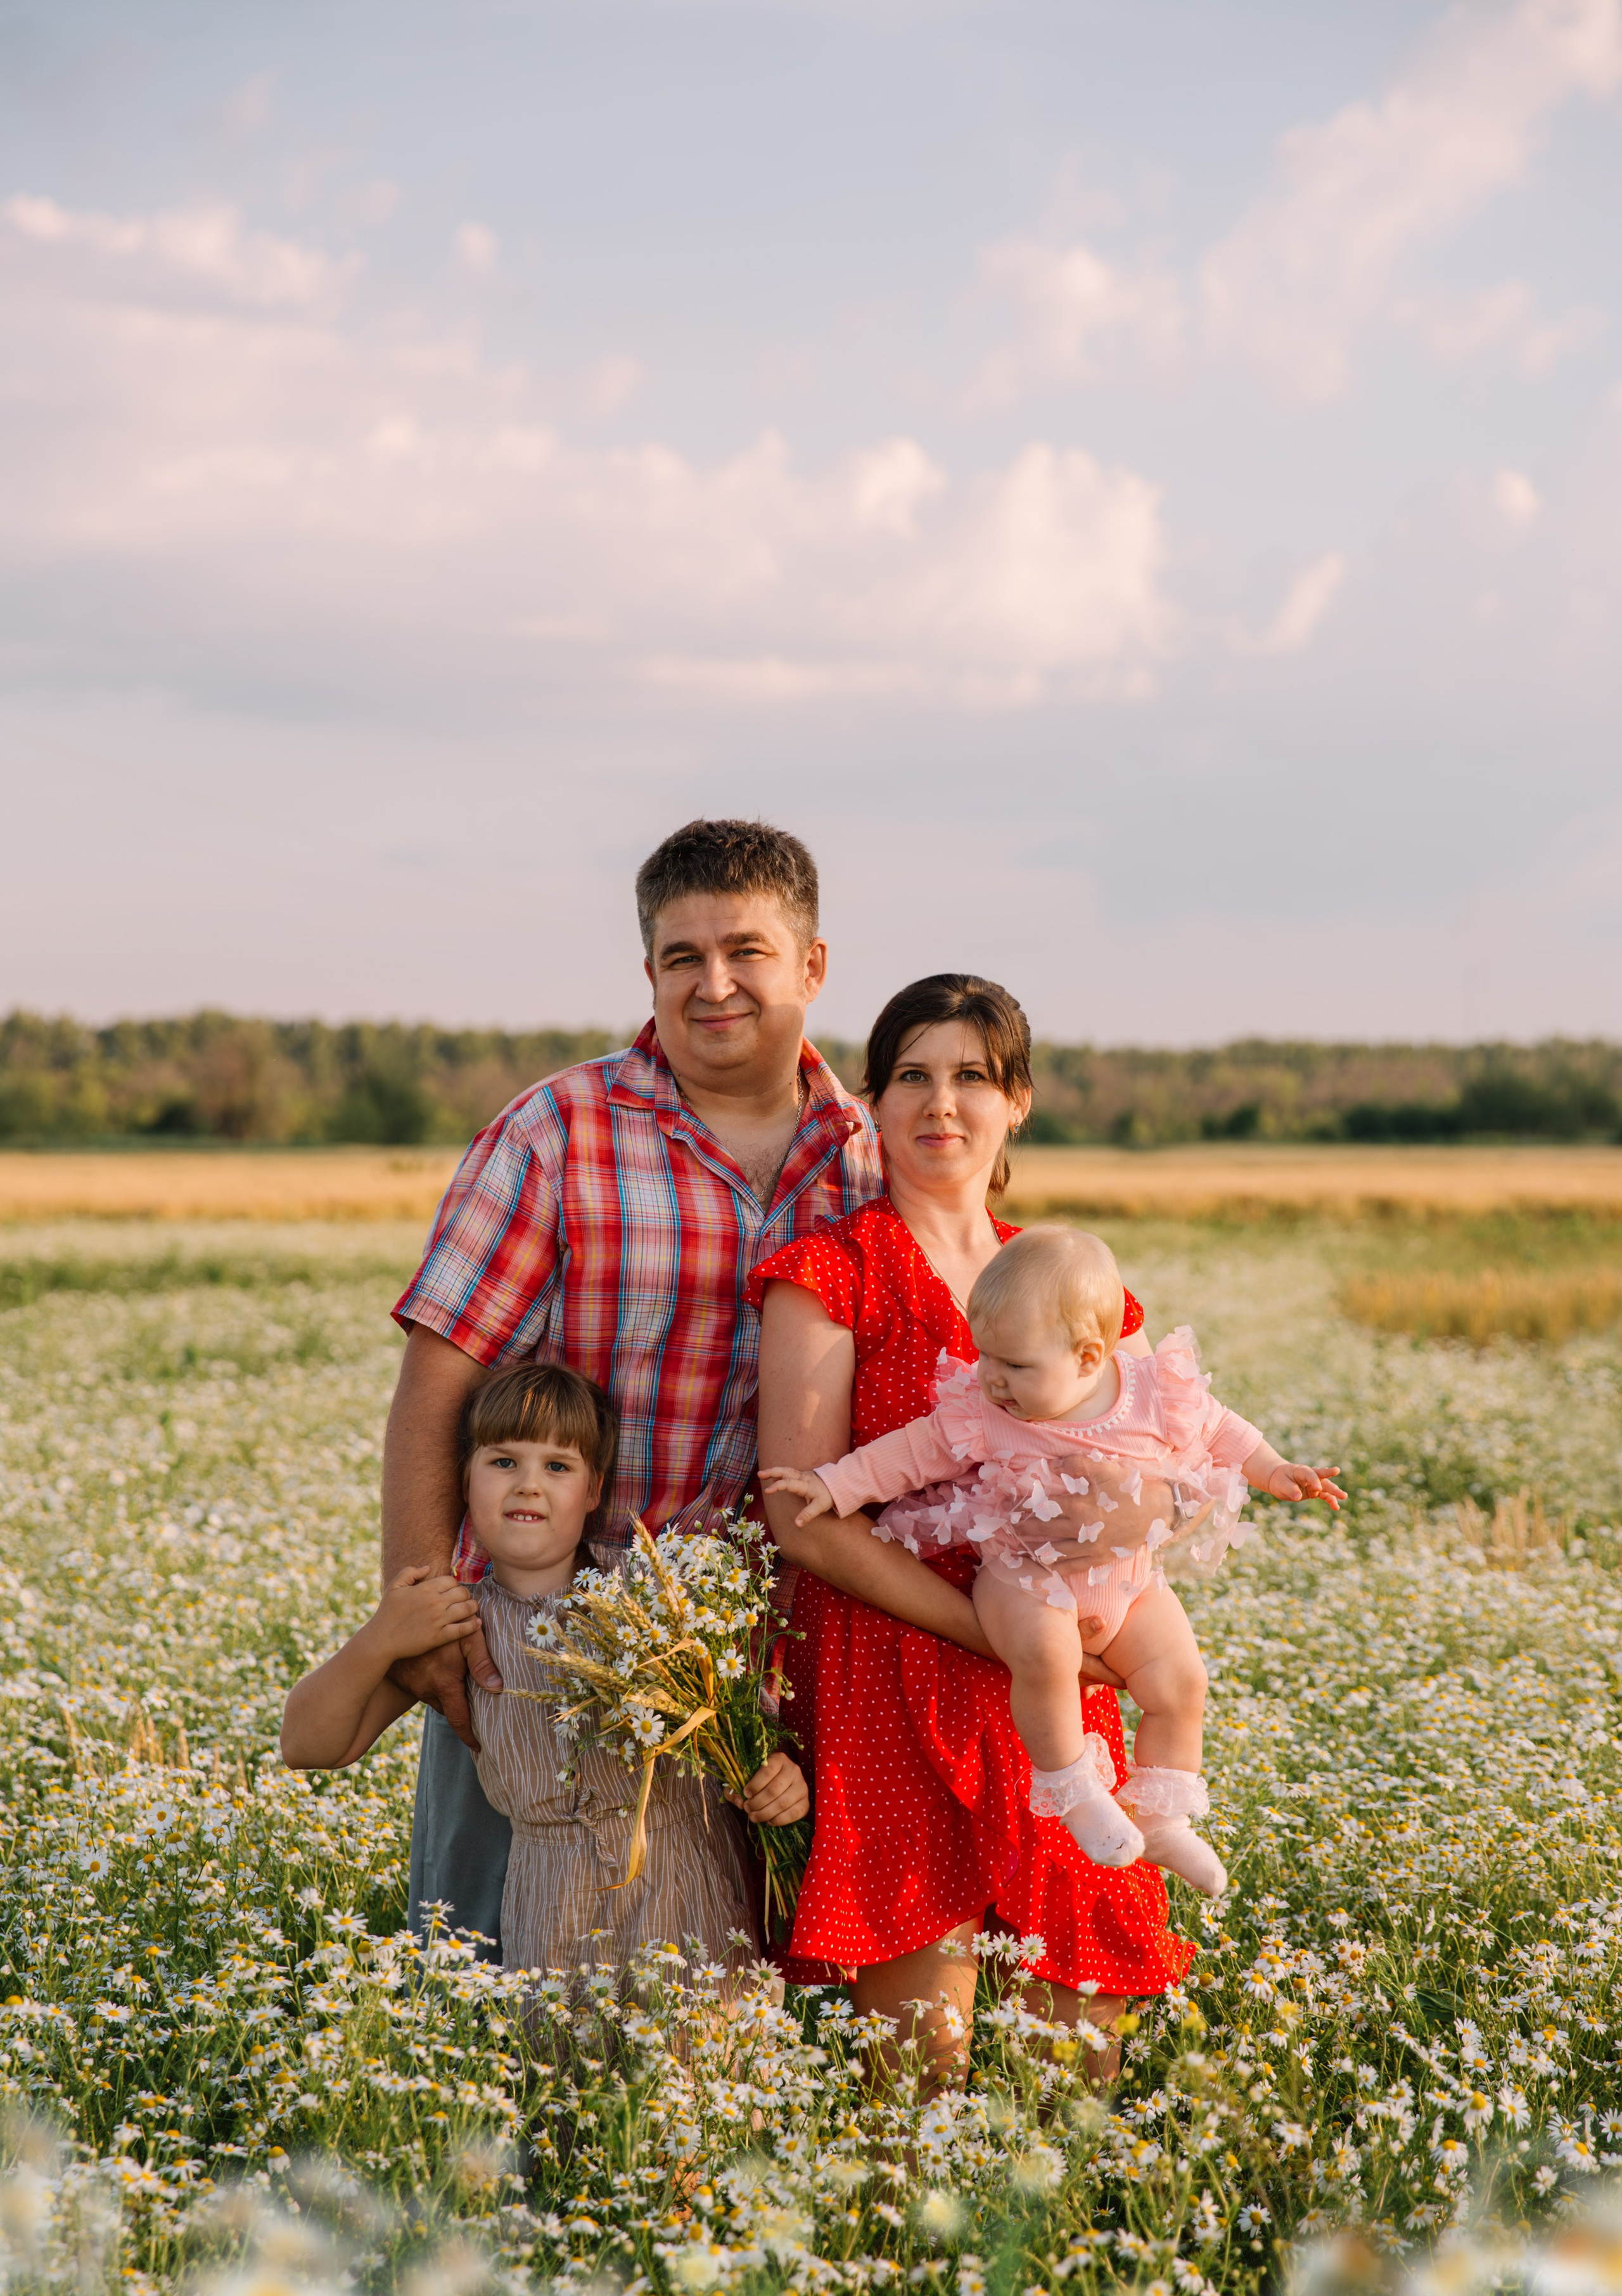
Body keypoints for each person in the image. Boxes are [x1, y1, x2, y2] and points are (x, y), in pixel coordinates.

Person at [384, 820, 883, 1960]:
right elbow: (439, 1376)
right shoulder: (557, 1130)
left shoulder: (871, 1154)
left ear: (812, 965)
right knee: (492, 1977)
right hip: (537, 1654)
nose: (715, 985)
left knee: (733, 1995)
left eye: (747, 952)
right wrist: (417, 1612)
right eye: (681, 957)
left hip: (762, 1675)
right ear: (648, 969)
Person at [750, 971, 1196, 2092]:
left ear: (1017, 1102)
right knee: (919, 2071)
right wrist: (993, 1632)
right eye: (911, 1075)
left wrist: (1125, 1599)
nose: (940, 1103)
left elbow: (1153, 1461)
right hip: (896, 1671)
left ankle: (1062, 2212)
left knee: (1079, 2051)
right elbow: (802, 1521)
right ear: (871, 1101)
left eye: (972, 1077)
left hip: (1058, 1669)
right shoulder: (829, 1274)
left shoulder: (1074, 1279)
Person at [765, 1221, 1346, 1898]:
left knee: (1182, 1680)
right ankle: (1075, 1791)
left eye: (1014, 1365)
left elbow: (1220, 1428)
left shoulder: (1151, 1390)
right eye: (985, 1356)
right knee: (1046, 1656)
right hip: (1024, 1579)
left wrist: (1275, 1469)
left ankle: (1161, 1817)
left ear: (1089, 1355)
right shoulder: (985, 1411)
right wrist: (832, 1485)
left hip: (1128, 1585)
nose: (991, 1378)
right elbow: (909, 1455)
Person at [284, 1360, 762, 1982]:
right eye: (504, 1462)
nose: (528, 1486)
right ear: (464, 1480)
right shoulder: (460, 1630)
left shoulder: (653, 1602)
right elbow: (307, 1745)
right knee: (560, 2044)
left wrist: (776, 1777)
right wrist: (380, 1638)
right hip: (551, 1919)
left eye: (557, 1467)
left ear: (593, 1491)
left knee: (696, 2041)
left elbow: (743, 1735)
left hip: (686, 1899)